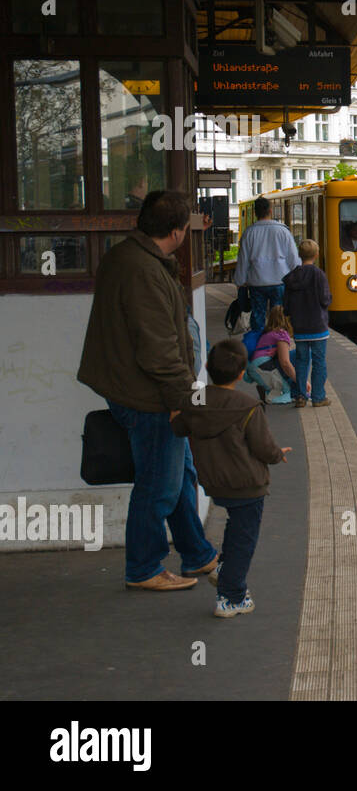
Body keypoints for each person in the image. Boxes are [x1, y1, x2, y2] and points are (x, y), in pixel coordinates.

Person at [77, 190, 217, 591]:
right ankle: (144, 568)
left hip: (136, 386)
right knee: (159, 484)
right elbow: (159, 350)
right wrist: (181, 402)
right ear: (176, 232)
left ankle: (198, 554)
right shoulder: (144, 271)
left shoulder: (128, 257)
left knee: (179, 473)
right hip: (148, 396)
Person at [171, 339, 290, 618]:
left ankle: (224, 568)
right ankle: (231, 597)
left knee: (236, 532)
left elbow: (178, 427)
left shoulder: (196, 402)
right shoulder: (248, 406)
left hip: (215, 484)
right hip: (248, 485)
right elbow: (263, 447)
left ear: (208, 367)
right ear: (241, 373)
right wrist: (277, 455)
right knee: (243, 539)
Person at [233, 196, 299, 332]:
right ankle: (278, 346)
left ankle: (259, 346)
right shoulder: (283, 231)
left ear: (255, 213)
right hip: (279, 281)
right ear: (270, 211)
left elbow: (243, 260)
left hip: (257, 282)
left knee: (258, 317)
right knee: (279, 317)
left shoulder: (249, 233)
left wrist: (239, 281)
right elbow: (293, 258)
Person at [283, 239, 332, 408]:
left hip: (299, 328)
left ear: (299, 255)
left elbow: (286, 307)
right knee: (319, 361)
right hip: (318, 326)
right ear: (316, 255)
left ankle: (301, 397)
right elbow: (325, 300)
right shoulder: (319, 275)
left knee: (301, 361)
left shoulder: (291, 278)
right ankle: (318, 397)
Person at [247, 306, 297, 404]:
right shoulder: (281, 334)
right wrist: (300, 381)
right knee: (287, 392)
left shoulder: (268, 333)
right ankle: (272, 396)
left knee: (281, 389)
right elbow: (285, 363)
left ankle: (267, 389)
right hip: (263, 366)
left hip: (257, 365)